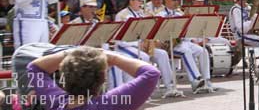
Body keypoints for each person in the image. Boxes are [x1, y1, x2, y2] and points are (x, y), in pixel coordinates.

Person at [27, 46, 160, 110]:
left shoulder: (56, 102)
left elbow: (35, 68)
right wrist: (113, 57)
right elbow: (151, 73)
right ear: (102, 78)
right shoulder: (108, 104)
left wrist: (71, 53)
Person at [115, 0, 179, 98]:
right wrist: (137, 44)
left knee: (162, 54)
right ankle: (142, 91)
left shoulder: (142, 13)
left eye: (141, 1)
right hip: (126, 47)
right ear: (131, 0)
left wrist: (154, 41)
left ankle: (170, 87)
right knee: (144, 57)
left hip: (141, 46)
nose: (141, 3)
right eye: (139, 1)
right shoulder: (122, 15)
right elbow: (121, 40)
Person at [156, 0, 214, 93]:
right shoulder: (160, 14)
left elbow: (187, 30)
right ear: (166, 0)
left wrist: (191, 40)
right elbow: (159, 34)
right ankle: (195, 80)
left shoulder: (179, 13)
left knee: (203, 51)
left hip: (183, 42)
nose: (176, 2)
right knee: (185, 51)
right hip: (170, 45)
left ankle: (206, 81)